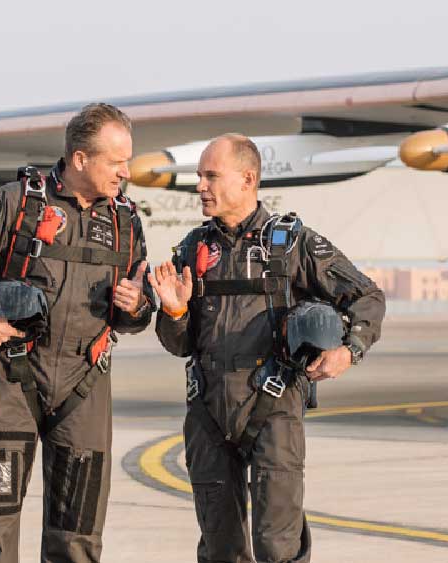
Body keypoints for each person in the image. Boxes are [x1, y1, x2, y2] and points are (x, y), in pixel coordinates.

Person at [0, 103, 153, 563]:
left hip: (85, 385)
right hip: (12, 379)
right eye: (116, 162)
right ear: (80, 158)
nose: (126, 173)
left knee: (78, 533)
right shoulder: (18, 202)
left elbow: (136, 311)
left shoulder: (125, 221)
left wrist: (137, 306)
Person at [149, 133, 385, 563]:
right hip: (207, 408)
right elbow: (179, 344)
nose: (200, 186)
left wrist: (349, 351)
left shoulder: (293, 244)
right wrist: (175, 311)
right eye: (200, 176)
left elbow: (367, 297)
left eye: (211, 176)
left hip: (273, 407)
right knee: (220, 547)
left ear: (247, 179)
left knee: (278, 546)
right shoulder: (192, 249)